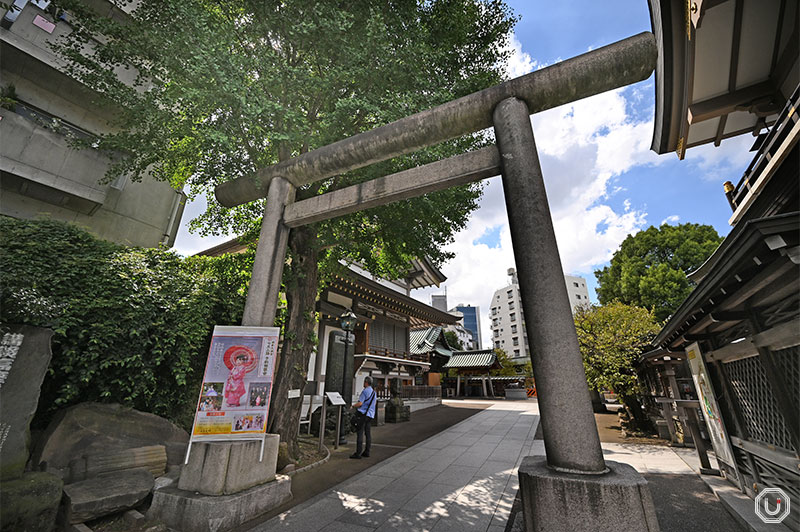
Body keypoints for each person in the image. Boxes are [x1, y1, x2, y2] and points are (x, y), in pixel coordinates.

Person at [350, 376, 377, 459]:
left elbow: (360, 403)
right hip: (370, 415)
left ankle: (358, 453)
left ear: (366, 382)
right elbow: (374, 404)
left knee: (360, 433)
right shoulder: (373, 392)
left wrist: (353, 406)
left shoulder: (365, 391)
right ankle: (367, 451)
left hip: (363, 414)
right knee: (368, 434)